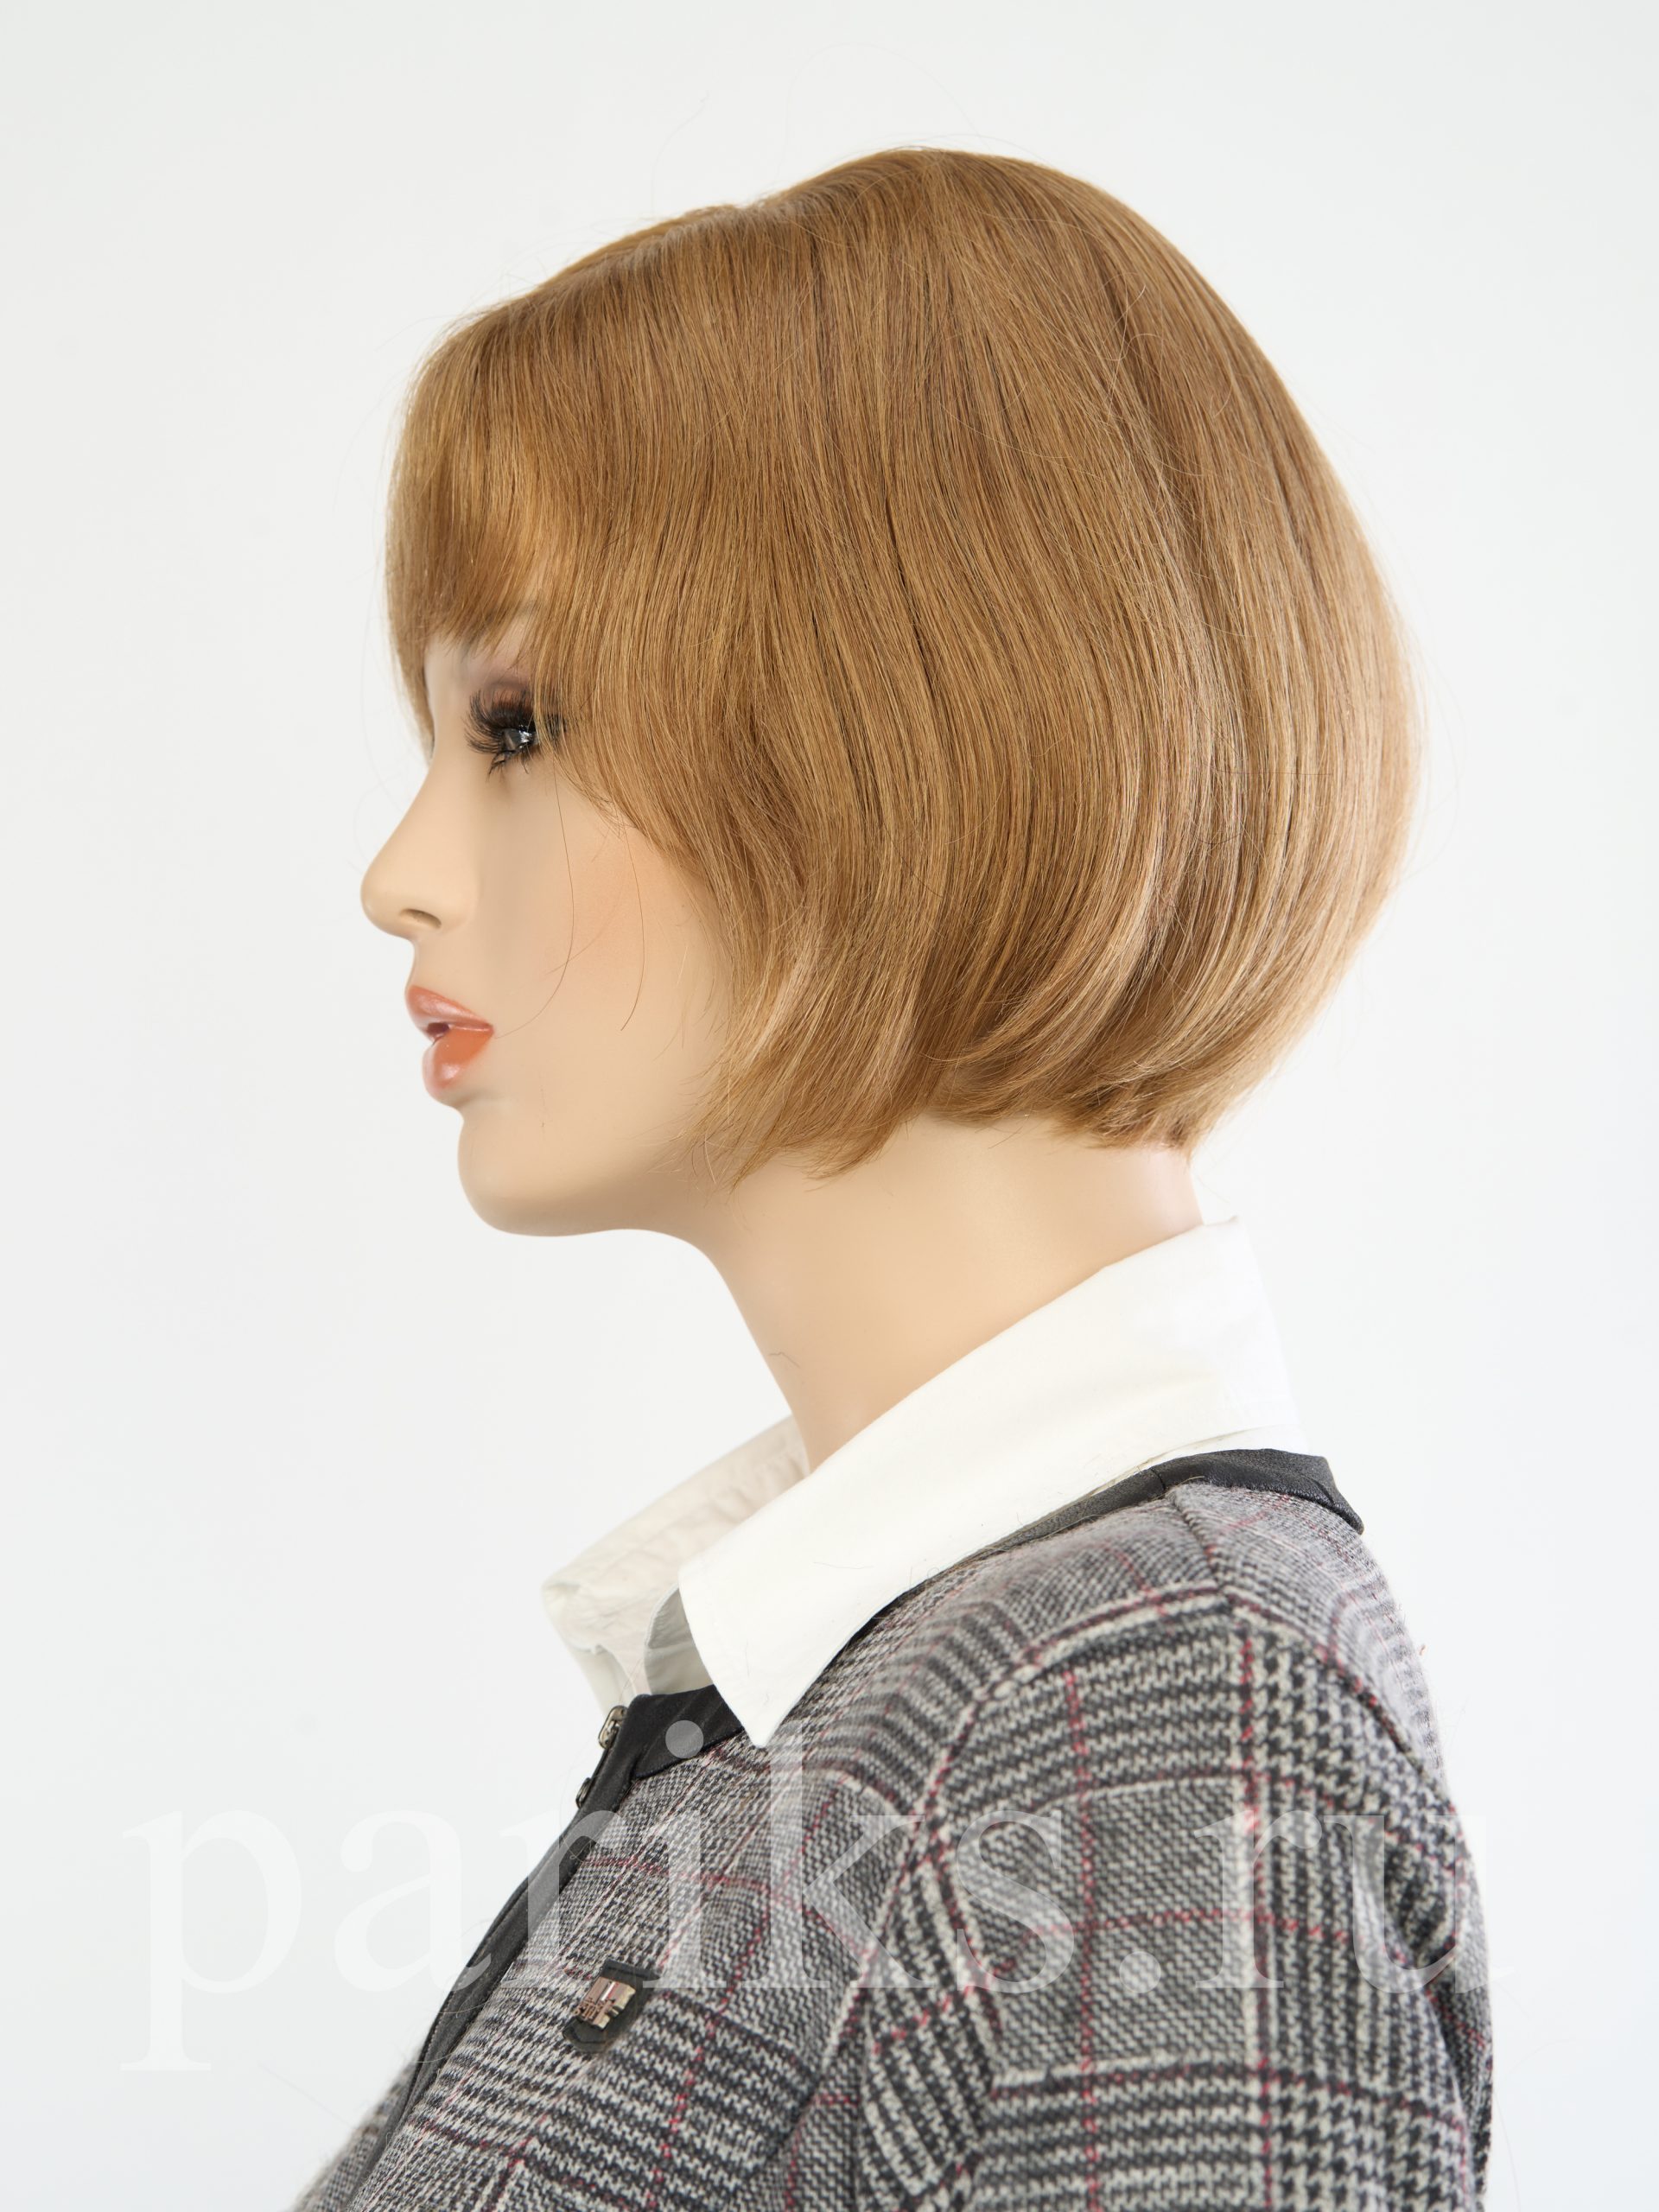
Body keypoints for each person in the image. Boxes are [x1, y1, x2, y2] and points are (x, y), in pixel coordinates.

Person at [293, 145, 1491, 2209]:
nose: (398, 872)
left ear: (906, 737)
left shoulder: (1165, 1713)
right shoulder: (954, 1673)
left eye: (519, 724)